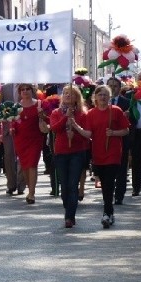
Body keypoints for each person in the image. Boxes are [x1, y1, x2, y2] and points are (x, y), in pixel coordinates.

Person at [71, 85, 130, 228]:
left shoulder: (116, 111)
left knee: (109, 182)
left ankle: (106, 212)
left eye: (105, 95)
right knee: (105, 184)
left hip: (113, 152)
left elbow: (126, 130)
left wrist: (114, 133)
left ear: (109, 97)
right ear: (95, 97)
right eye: (100, 95)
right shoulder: (91, 113)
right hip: (98, 153)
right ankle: (110, 211)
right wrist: (76, 126)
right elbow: (89, 134)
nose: (102, 97)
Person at [49, 85, 89, 228]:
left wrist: (76, 134)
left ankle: (69, 216)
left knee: (73, 185)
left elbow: (86, 135)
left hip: (77, 153)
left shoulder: (83, 114)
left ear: (76, 97)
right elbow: (54, 129)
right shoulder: (56, 112)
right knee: (64, 186)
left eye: (70, 94)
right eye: (65, 93)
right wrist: (65, 118)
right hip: (61, 152)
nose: (67, 96)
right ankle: (68, 207)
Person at [11, 83, 47, 204]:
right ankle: (29, 187)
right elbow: (13, 121)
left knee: (32, 164)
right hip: (20, 139)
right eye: (22, 90)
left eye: (27, 89)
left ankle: (31, 193)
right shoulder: (16, 106)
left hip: (35, 139)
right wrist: (12, 128)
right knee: (25, 166)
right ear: (20, 92)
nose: (25, 91)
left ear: (32, 90)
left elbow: (47, 119)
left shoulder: (39, 104)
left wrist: (43, 115)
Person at [106, 76, 131, 205]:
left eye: (115, 86)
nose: (112, 88)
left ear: (119, 88)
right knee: (107, 169)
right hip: (105, 140)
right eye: (110, 85)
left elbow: (133, 122)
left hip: (121, 140)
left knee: (121, 168)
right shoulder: (101, 101)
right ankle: (108, 192)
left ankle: (119, 194)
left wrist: (128, 117)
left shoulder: (126, 102)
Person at [0, 84, 26, 196]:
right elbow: (0, 108)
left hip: (24, 127)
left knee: (22, 156)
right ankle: (11, 184)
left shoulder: (28, 86)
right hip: (8, 128)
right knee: (9, 155)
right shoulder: (5, 88)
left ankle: (21, 184)